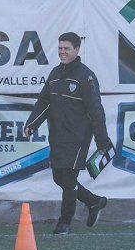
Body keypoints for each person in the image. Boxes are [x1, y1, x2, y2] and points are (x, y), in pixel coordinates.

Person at [25, 32, 111, 234]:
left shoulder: (85, 76)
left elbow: (96, 110)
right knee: (59, 179)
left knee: (69, 180)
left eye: (67, 49)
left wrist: (102, 140)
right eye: (60, 48)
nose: (62, 52)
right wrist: (32, 124)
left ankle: (65, 222)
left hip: (78, 137)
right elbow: (44, 102)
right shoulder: (55, 74)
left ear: (77, 50)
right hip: (57, 135)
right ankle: (94, 201)